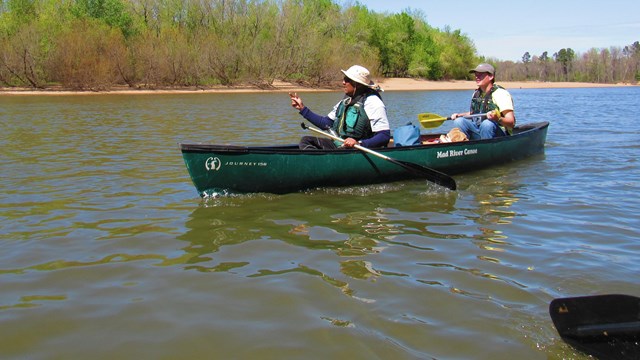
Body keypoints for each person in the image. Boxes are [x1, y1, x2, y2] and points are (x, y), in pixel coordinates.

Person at [290, 65, 390, 149]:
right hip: (341, 146)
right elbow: (326, 123)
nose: (343, 82)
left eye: (347, 80)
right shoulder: (346, 101)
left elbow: (384, 136)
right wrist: (302, 109)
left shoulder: (373, 102)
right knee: (306, 141)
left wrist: (359, 143)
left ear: (357, 84)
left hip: (360, 149)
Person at [450, 63, 515, 140]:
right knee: (459, 121)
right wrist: (459, 115)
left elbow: (511, 122)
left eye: (481, 74)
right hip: (479, 131)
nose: (477, 77)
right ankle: (466, 147)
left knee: (487, 124)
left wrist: (497, 118)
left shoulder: (501, 94)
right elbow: (474, 114)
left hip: (499, 135)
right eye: (476, 74)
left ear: (491, 76)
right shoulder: (476, 94)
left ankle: (487, 149)